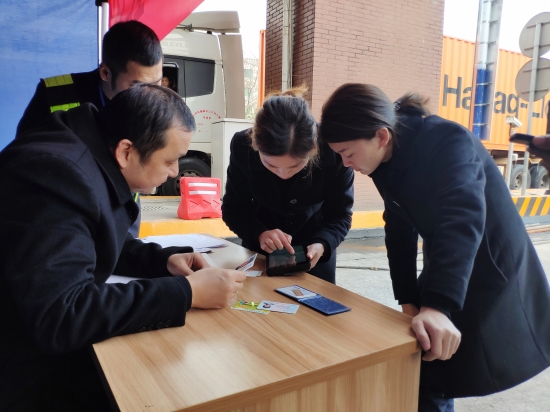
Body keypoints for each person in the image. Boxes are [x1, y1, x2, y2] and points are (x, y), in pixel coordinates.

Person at [0, 84, 246, 411]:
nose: (175, 172)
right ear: (126, 152)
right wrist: (186, 293)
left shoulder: (92, 152)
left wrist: (164, 261)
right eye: (170, 160)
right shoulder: (57, 176)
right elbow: (61, 314)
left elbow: (95, 240)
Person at [318, 83, 550, 411]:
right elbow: (398, 228)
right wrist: (408, 299)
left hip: (487, 261)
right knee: (425, 362)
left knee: (437, 366)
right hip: (447, 258)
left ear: (380, 136)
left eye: (348, 153)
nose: (345, 164)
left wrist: (437, 305)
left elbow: (462, 218)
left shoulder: (447, 140)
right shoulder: (384, 157)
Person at [16, 19, 164, 237]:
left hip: (125, 215)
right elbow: (22, 164)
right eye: (137, 86)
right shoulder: (55, 95)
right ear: (105, 73)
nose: (149, 95)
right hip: (65, 219)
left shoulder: (155, 103)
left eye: (157, 83)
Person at [221, 86, 354, 283]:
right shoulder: (243, 146)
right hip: (262, 254)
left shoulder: (333, 151)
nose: (283, 175)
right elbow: (234, 209)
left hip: (314, 254)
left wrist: (323, 243)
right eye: (271, 165)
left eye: (295, 166)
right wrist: (259, 233)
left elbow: (340, 214)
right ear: (255, 146)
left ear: (313, 150)